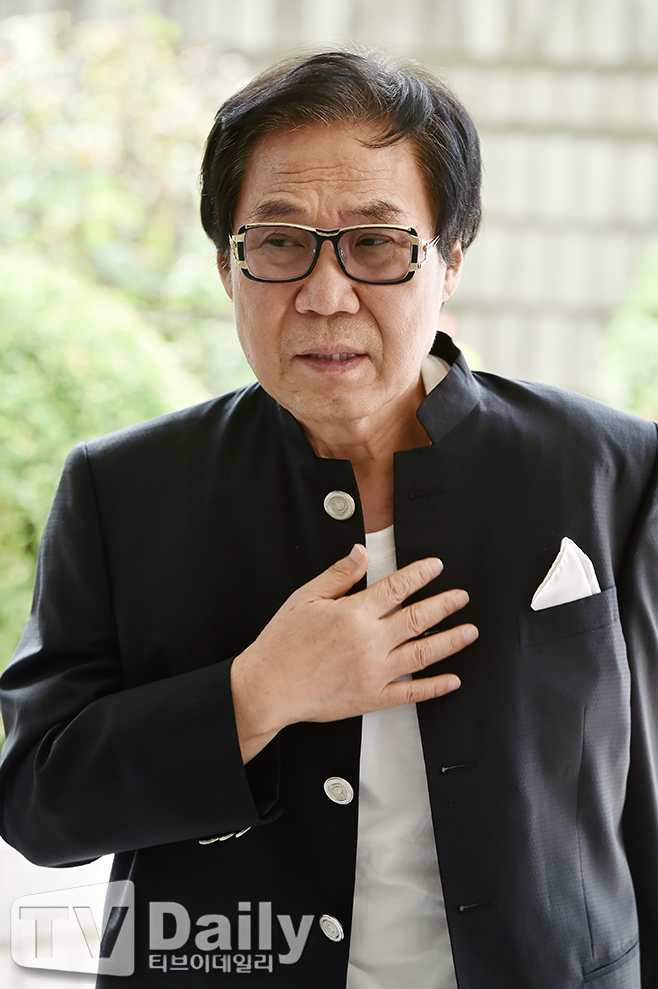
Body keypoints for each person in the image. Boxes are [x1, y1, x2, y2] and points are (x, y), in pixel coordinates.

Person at [1, 49, 657, 989]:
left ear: (450, 260)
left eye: (376, 244)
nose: (324, 293)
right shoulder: (122, 488)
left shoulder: (612, 469)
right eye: (278, 242)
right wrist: (256, 693)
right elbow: (37, 800)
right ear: (227, 267)